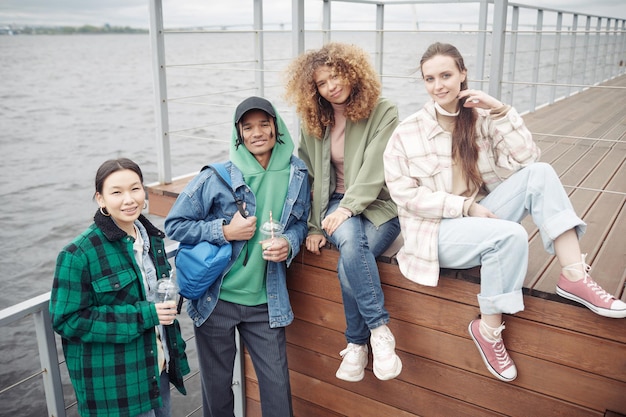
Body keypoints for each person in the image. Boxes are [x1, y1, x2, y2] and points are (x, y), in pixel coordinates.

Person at [383, 42, 626, 383]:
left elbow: (528, 159)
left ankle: (573, 276)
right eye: (430, 78)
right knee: (510, 235)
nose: (439, 85)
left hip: (480, 216)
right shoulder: (407, 133)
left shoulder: (481, 119)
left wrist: (500, 110)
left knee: (540, 172)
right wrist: (464, 206)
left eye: (446, 75)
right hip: (437, 233)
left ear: (463, 74)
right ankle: (488, 330)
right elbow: (404, 195)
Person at [165, 96, 310, 417]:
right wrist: (224, 232)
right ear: (239, 134)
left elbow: (301, 223)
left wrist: (289, 241)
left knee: (277, 391)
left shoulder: (297, 173)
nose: (257, 132)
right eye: (248, 127)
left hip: (266, 302)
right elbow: (174, 224)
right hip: (217, 301)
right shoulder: (217, 176)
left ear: (277, 127)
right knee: (217, 392)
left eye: (264, 124)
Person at [284, 42, 403, 382]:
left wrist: (350, 208)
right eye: (322, 82)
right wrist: (313, 226)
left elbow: (375, 168)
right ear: (314, 90)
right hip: (334, 204)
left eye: (336, 76)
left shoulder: (384, 111)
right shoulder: (315, 121)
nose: (331, 86)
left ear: (352, 72)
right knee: (351, 245)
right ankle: (379, 333)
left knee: (349, 261)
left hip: (379, 204)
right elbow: (306, 175)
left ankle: (357, 342)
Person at [50, 158, 189, 417]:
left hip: (156, 370)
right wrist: (145, 314)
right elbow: (67, 320)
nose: (129, 199)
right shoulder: (78, 254)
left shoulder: (152, 239)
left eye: (135, 189)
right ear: (100, 199)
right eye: (116, 192)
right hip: (116, 386)